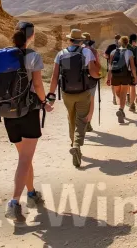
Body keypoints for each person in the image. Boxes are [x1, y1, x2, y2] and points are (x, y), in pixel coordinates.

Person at [4, 22, 54, 222]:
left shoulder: (2, 56)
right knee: (25, 159)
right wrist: (45, 103)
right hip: (28, 112)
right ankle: (14, 203)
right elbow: (38, 84)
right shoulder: (33, 56)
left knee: (25, 157)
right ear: (31, 37)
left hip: (7, 113)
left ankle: (32, 194)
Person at [49, 29, 97, 168]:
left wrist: (51, 95)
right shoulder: (86, 52)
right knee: (81, 119)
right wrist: (98, 74)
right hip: (83, 92)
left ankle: (73, 143)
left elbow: (54, 76)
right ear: (81, 41)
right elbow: (93, 73)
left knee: (71, 117)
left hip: (66, 93)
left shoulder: (61, 54)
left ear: (70, 40)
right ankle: (76, 145)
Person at [106, 36, 137, 123]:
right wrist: (135, 76)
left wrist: (109, 78)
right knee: (123, 93)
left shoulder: (113, 52)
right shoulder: (129, 52)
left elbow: (110, 67)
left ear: (119, 42)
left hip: (115, 76)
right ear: (127, 43)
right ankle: (121, 109)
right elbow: (133, 67)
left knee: (118, 93)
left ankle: (121, 108)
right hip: (125, 75)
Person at [82, 32, 101, 132]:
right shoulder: (93, 51)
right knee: (91, 101)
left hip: (78, 80)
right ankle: (88, 123)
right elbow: (98, 66)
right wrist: (99, 74)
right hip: (90, 79)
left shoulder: (76, 50)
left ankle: (79, 122)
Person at [104, 34, 120, 105]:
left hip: (114, 67)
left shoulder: (112, 46)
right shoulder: (123, 46)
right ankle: (117, 96)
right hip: (118, 67)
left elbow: (106, 55)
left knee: (114, 83)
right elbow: (105, 55)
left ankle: (115, 96)